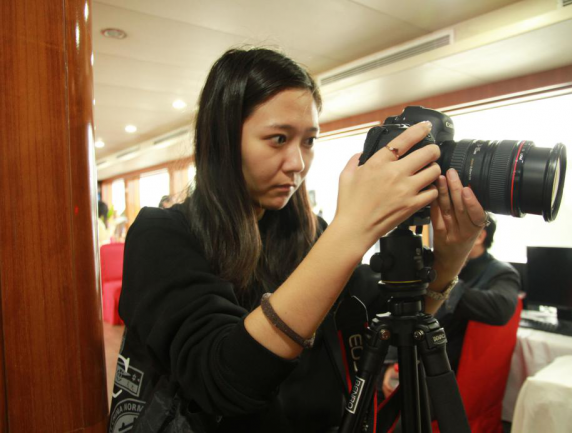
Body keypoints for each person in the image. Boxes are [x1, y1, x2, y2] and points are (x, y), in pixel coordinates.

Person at [108, 47, 487, 432]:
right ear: (223, 140)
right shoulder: (163, 234)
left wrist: (450, 257)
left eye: (308, 141)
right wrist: (353, 228)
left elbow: (384, 325)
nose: (298, 163)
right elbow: (224, 381)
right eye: (278, 139)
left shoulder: (311, 231)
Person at [382, 213, 521, 398]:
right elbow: (408, 313)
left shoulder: (501, 273)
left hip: (447, 368)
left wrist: (447, 275)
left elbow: (501, 309)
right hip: (412, 351)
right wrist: (394, 362)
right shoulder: (433, 265)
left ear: (480, 236)